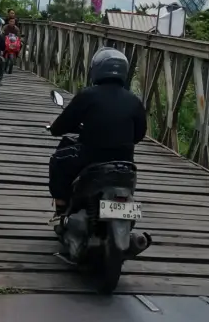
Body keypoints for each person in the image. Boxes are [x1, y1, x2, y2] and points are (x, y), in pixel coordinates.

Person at [47, 48, 147, 214]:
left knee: (58, 160)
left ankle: (61, 206)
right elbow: (140, 133)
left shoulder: (88, 95)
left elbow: (62, 126)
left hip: (90, 156)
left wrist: (55, 129)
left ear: (97, 69)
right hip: (125, 160)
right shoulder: (134, 100)